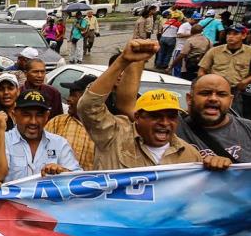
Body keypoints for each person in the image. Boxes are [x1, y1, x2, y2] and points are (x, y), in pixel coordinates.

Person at [77, 39, 231, 171]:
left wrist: (219, 167)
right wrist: (123, 61)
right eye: (155, 116)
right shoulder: (114, 135)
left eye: (171, 117)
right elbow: (89, 107)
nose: (164, 123)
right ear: (137, 116)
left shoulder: (190, 155)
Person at [0, 90, 81, 183]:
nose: (33, 122)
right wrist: (0, 131)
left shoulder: (59, 143)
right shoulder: (2, 140)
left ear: (47, 116)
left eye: (39, 115)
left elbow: (77, 180)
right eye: (26, 115)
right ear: (14, 115)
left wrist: (62, 171)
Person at [198, 24, 251, 119]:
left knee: (234, 117)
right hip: (214, 89)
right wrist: (205, 84)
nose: (231, 36)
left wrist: (245, 81)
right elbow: (202, 70)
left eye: (235, 34)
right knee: (208, 115)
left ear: (243, 36)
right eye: (229, 33)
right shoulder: (215, 51)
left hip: (236, 91)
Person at [45, 74, 97, 171]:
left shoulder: (105, 129)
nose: (68, 99)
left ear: (88, 99)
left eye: (74, 95)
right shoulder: (57, 122)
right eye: (70, 94)